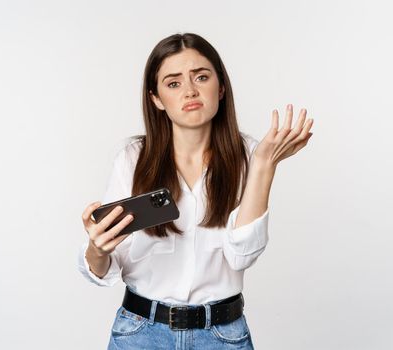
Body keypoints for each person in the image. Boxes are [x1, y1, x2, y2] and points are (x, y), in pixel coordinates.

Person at [78, 32, 314, 349]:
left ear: (221, 87)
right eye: (173, 83)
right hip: (141, 334)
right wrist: (98, 248)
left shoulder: (249, 156)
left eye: (201, 77)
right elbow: (107, 267)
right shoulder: (133, 159)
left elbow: (241, 255)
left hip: (221, 335)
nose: (190, 90)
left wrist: (264, 165)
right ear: (157, 99)